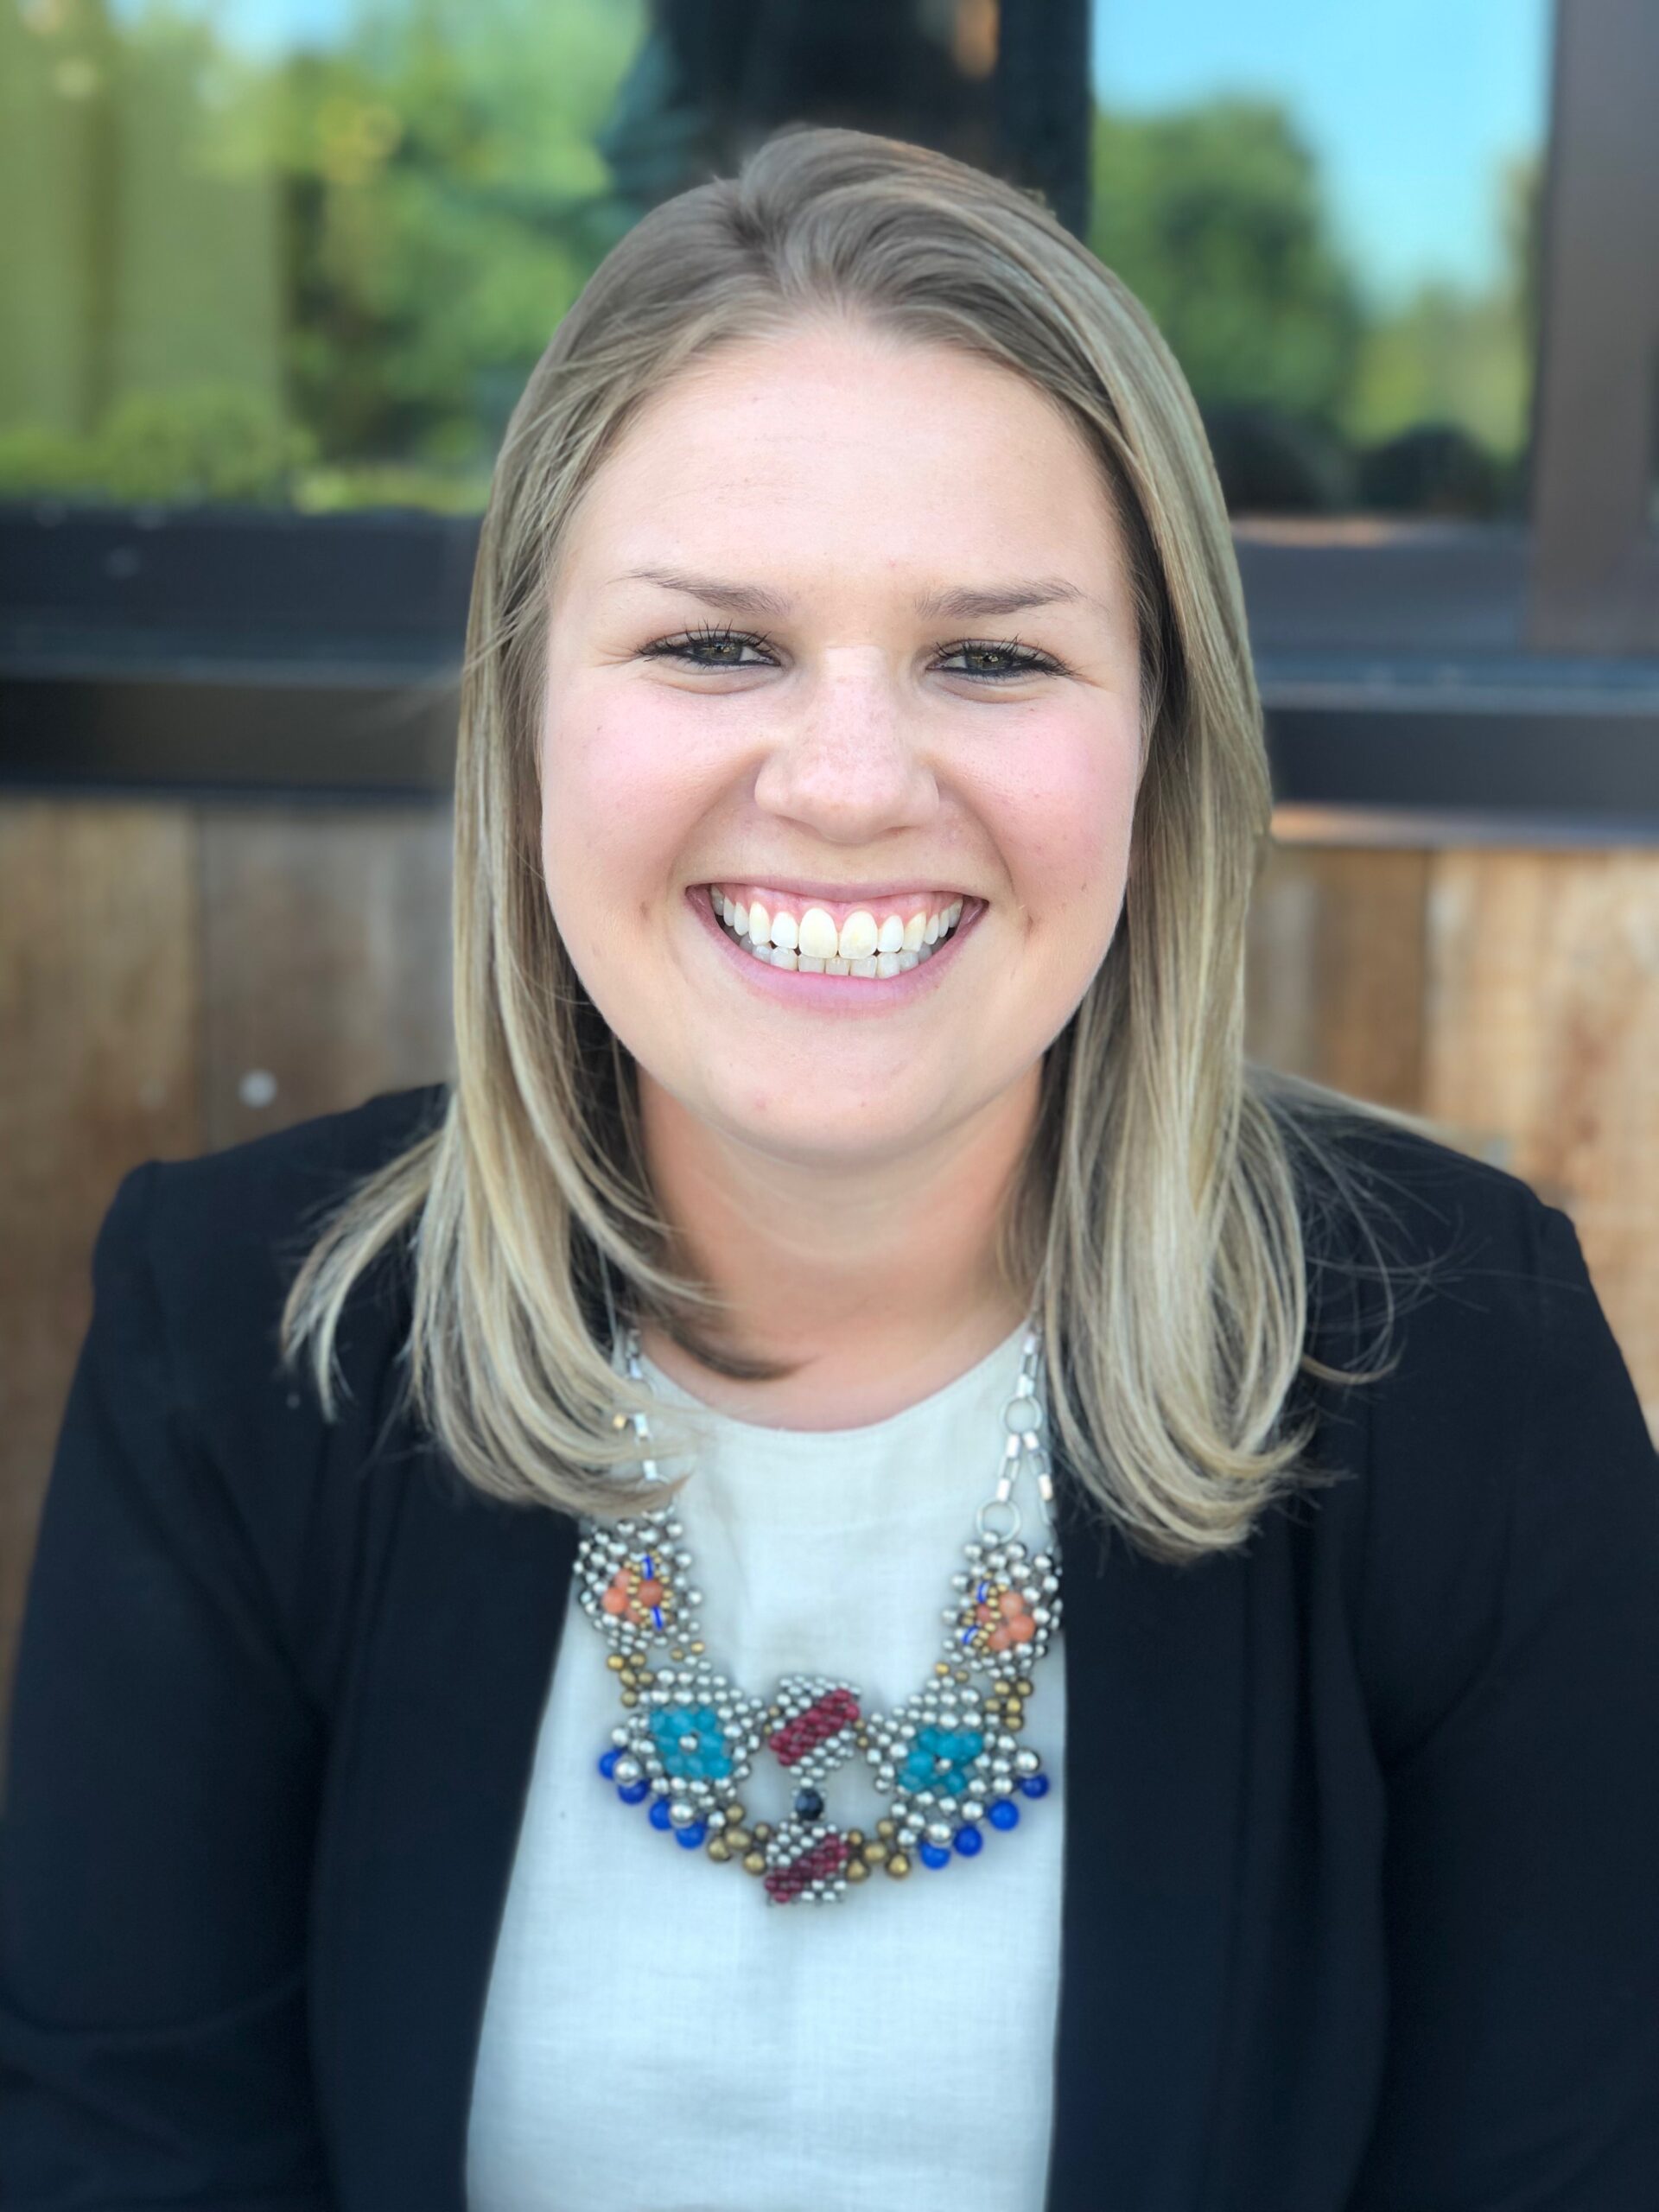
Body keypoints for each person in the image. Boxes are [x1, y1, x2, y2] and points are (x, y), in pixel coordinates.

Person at [2, 124, 1656, 2212]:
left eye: (992, 654)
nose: (853, 780)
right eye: (715, 644)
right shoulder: (241, 1339)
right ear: (530, 719)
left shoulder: (1470, 1379)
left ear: (1160, 738)